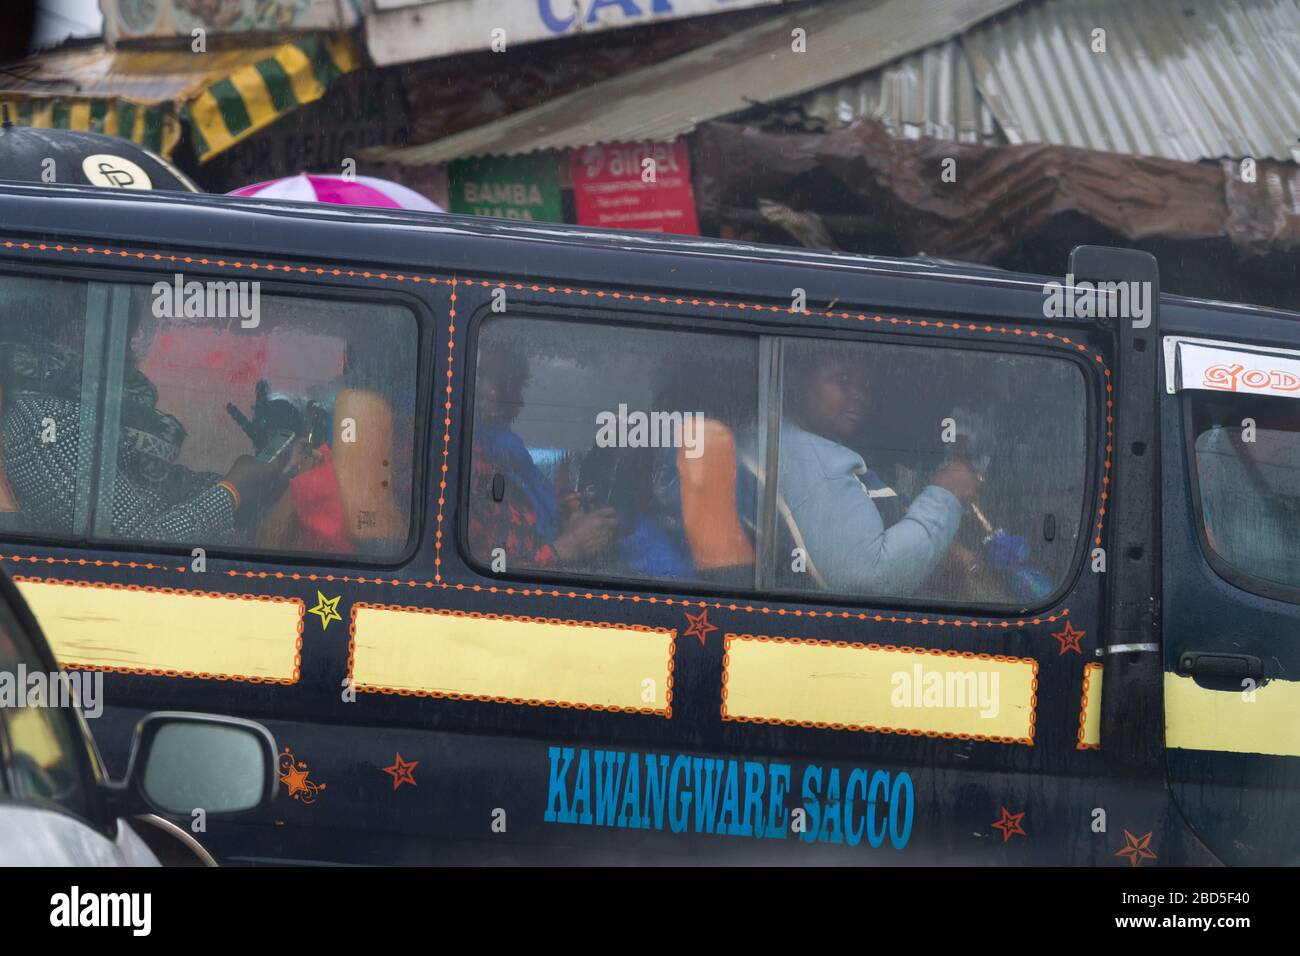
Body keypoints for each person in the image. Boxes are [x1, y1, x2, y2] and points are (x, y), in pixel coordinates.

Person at [0, 313, 296, 544]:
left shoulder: (73, 408)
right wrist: (232, 489)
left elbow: (149, 484)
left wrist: (248, 481)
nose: (132, 347)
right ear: (78, 329)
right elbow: (141, 543)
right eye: (125, 331)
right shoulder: (53, 423)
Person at [760, 342, 980, 596]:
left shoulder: (788, 444)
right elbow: (872, 575)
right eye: (842, 379)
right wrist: (947, 494)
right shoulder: (809, 459)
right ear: (797, 382)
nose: (859, 394)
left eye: (865, 386)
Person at [469, 341, 616, 570]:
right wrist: (569, 546)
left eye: (509, 383)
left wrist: (570, 510)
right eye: (480, 375)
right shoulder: (457, 457)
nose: (493, 392)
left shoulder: (509, 452)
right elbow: (488, 571)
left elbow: (528, 512)